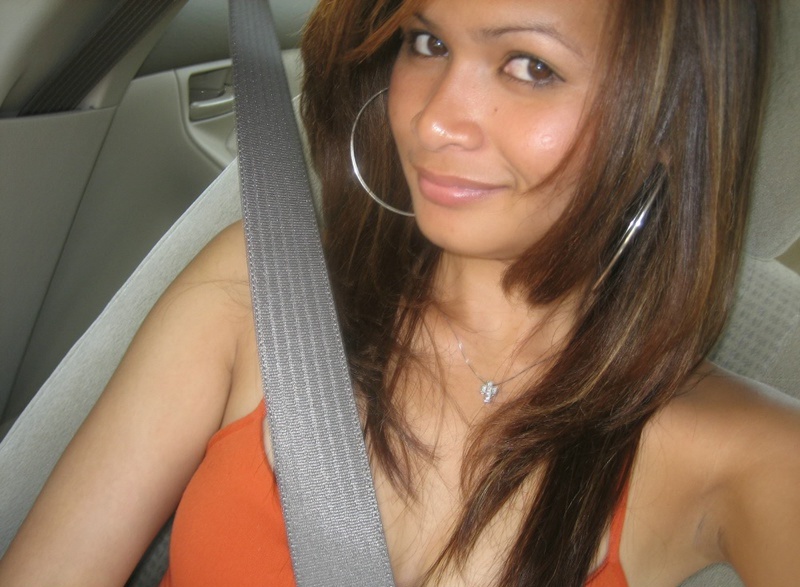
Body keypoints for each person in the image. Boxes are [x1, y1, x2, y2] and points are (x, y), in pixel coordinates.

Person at [1, 0, 798, 585]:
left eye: (531, 67)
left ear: (667, 125)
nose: (435, 120)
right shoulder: (259, 291)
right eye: (428, 42)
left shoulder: (746, 452)